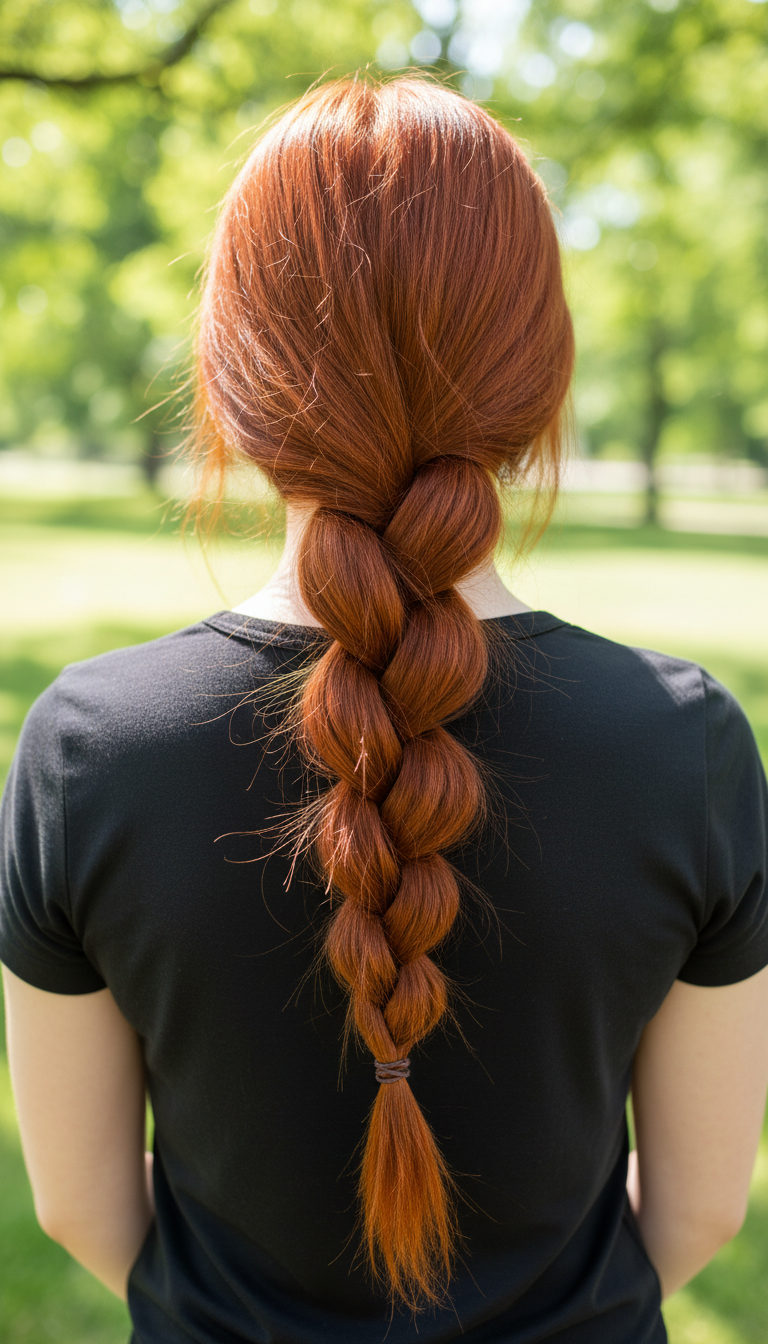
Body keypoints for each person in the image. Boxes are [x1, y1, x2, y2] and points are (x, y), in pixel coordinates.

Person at [1, 75, 767, 1344]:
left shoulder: (90, 748)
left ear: (232, 372)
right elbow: (700, 1210)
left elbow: (80, 1204)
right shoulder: (685, 744)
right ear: (540, 377)